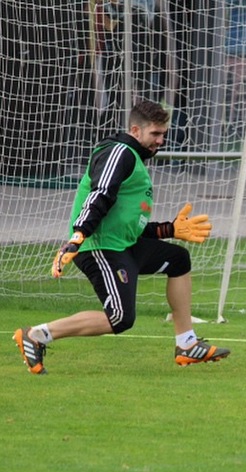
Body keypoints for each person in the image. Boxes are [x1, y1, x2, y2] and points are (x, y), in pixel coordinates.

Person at [13, 100, 230, 375]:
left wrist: (169, 230)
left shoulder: (133, 158)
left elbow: (129, 225)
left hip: (122, 245)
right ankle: (36, 336)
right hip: (99, 247)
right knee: (119, 318)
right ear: (136, 130)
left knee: (178, 259)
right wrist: (78, 236)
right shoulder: (120, 151)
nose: (161, 141)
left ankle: (186, 344)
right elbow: (100, 194)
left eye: (164, 134)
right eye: (155, 134)